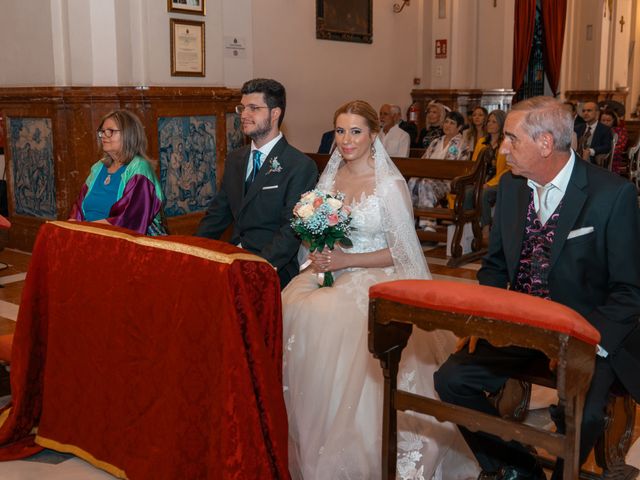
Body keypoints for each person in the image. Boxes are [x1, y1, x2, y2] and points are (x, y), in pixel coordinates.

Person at [434, 96, 640, 480]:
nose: (502, 148)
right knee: (451, 380)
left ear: (546, 143)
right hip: (521, 325)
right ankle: (520, 470)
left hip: (587, 333)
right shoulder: (512, 189)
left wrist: (582, 343)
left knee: (583, 412)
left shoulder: (612, 195)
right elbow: (495, 267)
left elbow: (630, 291)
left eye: (511, 139)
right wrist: (483, 322)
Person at [282, 100, 478, 480]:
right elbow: (319, 231)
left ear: (374, 135)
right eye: (340, 131)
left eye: (356, 131)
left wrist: (347, 262)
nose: (346, 140)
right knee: (293, 303)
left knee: (333, 318)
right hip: (333, 269)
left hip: (376, 273)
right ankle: (310, 428)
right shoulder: (331, 177)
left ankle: (354, 441)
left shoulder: (388, 185)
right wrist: (322, 254)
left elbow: (402, 249)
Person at [196, 78, 317, 288]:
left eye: (253, 108)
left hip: (273, 266)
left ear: (275, 113)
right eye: (242, 108)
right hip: (234, 256)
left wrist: (257, 266)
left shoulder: (299, 165)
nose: (243, 115)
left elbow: (291, 230)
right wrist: (192, 250)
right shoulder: (236, 159)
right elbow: (218, 214)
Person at [69, 110, 166, 236]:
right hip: (90, 234)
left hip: (122, 240)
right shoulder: (98, 168)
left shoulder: (139, 168)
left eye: (110, 131)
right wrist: (70, 227)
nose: (104, 135)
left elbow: (129, 218)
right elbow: (78, 209)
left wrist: (86, 229)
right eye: (102, 132)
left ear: (128, 134)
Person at [409, 110, 469, 231]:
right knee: (412, 181)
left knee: (425, 184)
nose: (447, 125)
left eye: (452, 123)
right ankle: (411, 221)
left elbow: (458, 168)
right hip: (428, 176)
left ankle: (428, 224)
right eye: (446, 122)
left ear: (459, 127)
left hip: (448, 181)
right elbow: (424, 161)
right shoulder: (436, 142)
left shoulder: (462, 144)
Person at [469, 109, 509, 228]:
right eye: (489, 121)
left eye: (494, 122)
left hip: (499, 182)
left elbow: (508, 169)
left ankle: (485, 227)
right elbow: (474, 164)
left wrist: (490, 183)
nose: (490, 124)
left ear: (501, 124)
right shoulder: (482, 142)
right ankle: (468, 225)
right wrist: (476, 181)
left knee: (484, 193)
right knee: (466, 192)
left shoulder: (506, 143)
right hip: (481, 179)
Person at [598, 108, 628, 174]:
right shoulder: (598, 130)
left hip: (614, 155)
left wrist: (606, 152)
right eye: (603, 120)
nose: (605, 123)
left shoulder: (620, 131)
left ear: (614, 120)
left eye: (608, 120)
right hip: (598, 154)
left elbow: (620, 147)